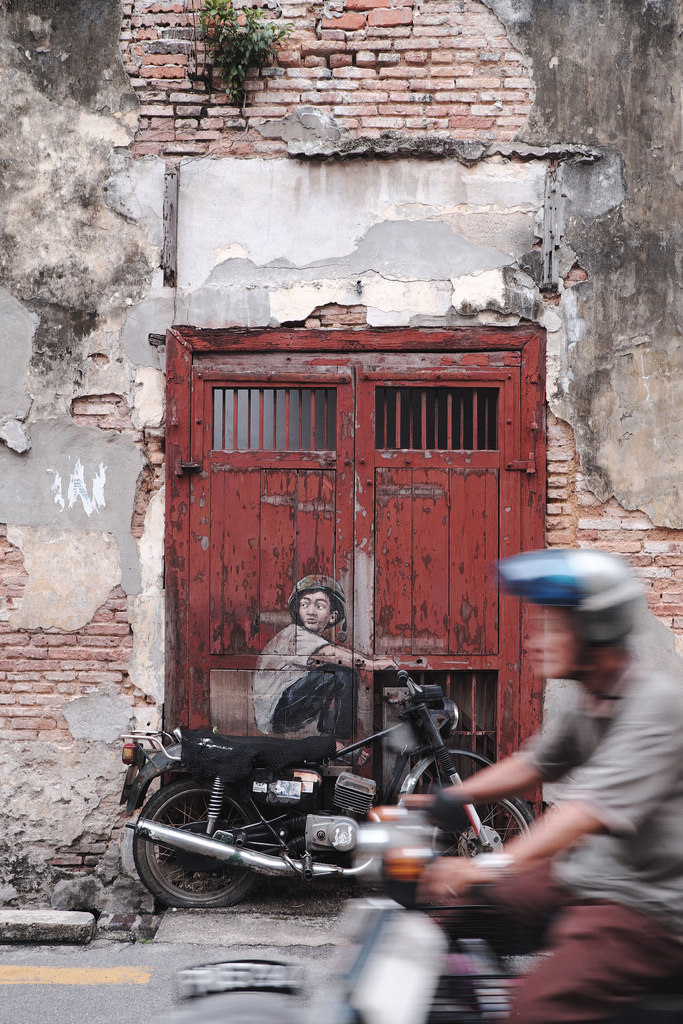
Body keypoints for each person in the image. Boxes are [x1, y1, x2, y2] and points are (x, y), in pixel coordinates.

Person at [416, 548, 683, 1023]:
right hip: (587, 875)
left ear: (596, 630)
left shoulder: (655, 707)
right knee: (462, 918)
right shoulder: (592, 700)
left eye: (554, 627)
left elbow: (586, 812)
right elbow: (533, 765)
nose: (539, 640)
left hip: (645, 907)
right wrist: (451, 796)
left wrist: (488, 867)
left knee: (532, 1009)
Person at [252, 574, 396, 739]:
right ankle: (336, 741)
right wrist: (372, 665)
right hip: (276, 712)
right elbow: (332, 654)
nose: (311, 612)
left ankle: (330, 740)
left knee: (334, 675)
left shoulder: (311, 639)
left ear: (333, 616)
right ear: (298, 610)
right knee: (341, 675)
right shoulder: (294, 634)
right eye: (305, 604)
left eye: (319, 606)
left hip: (283, 709)